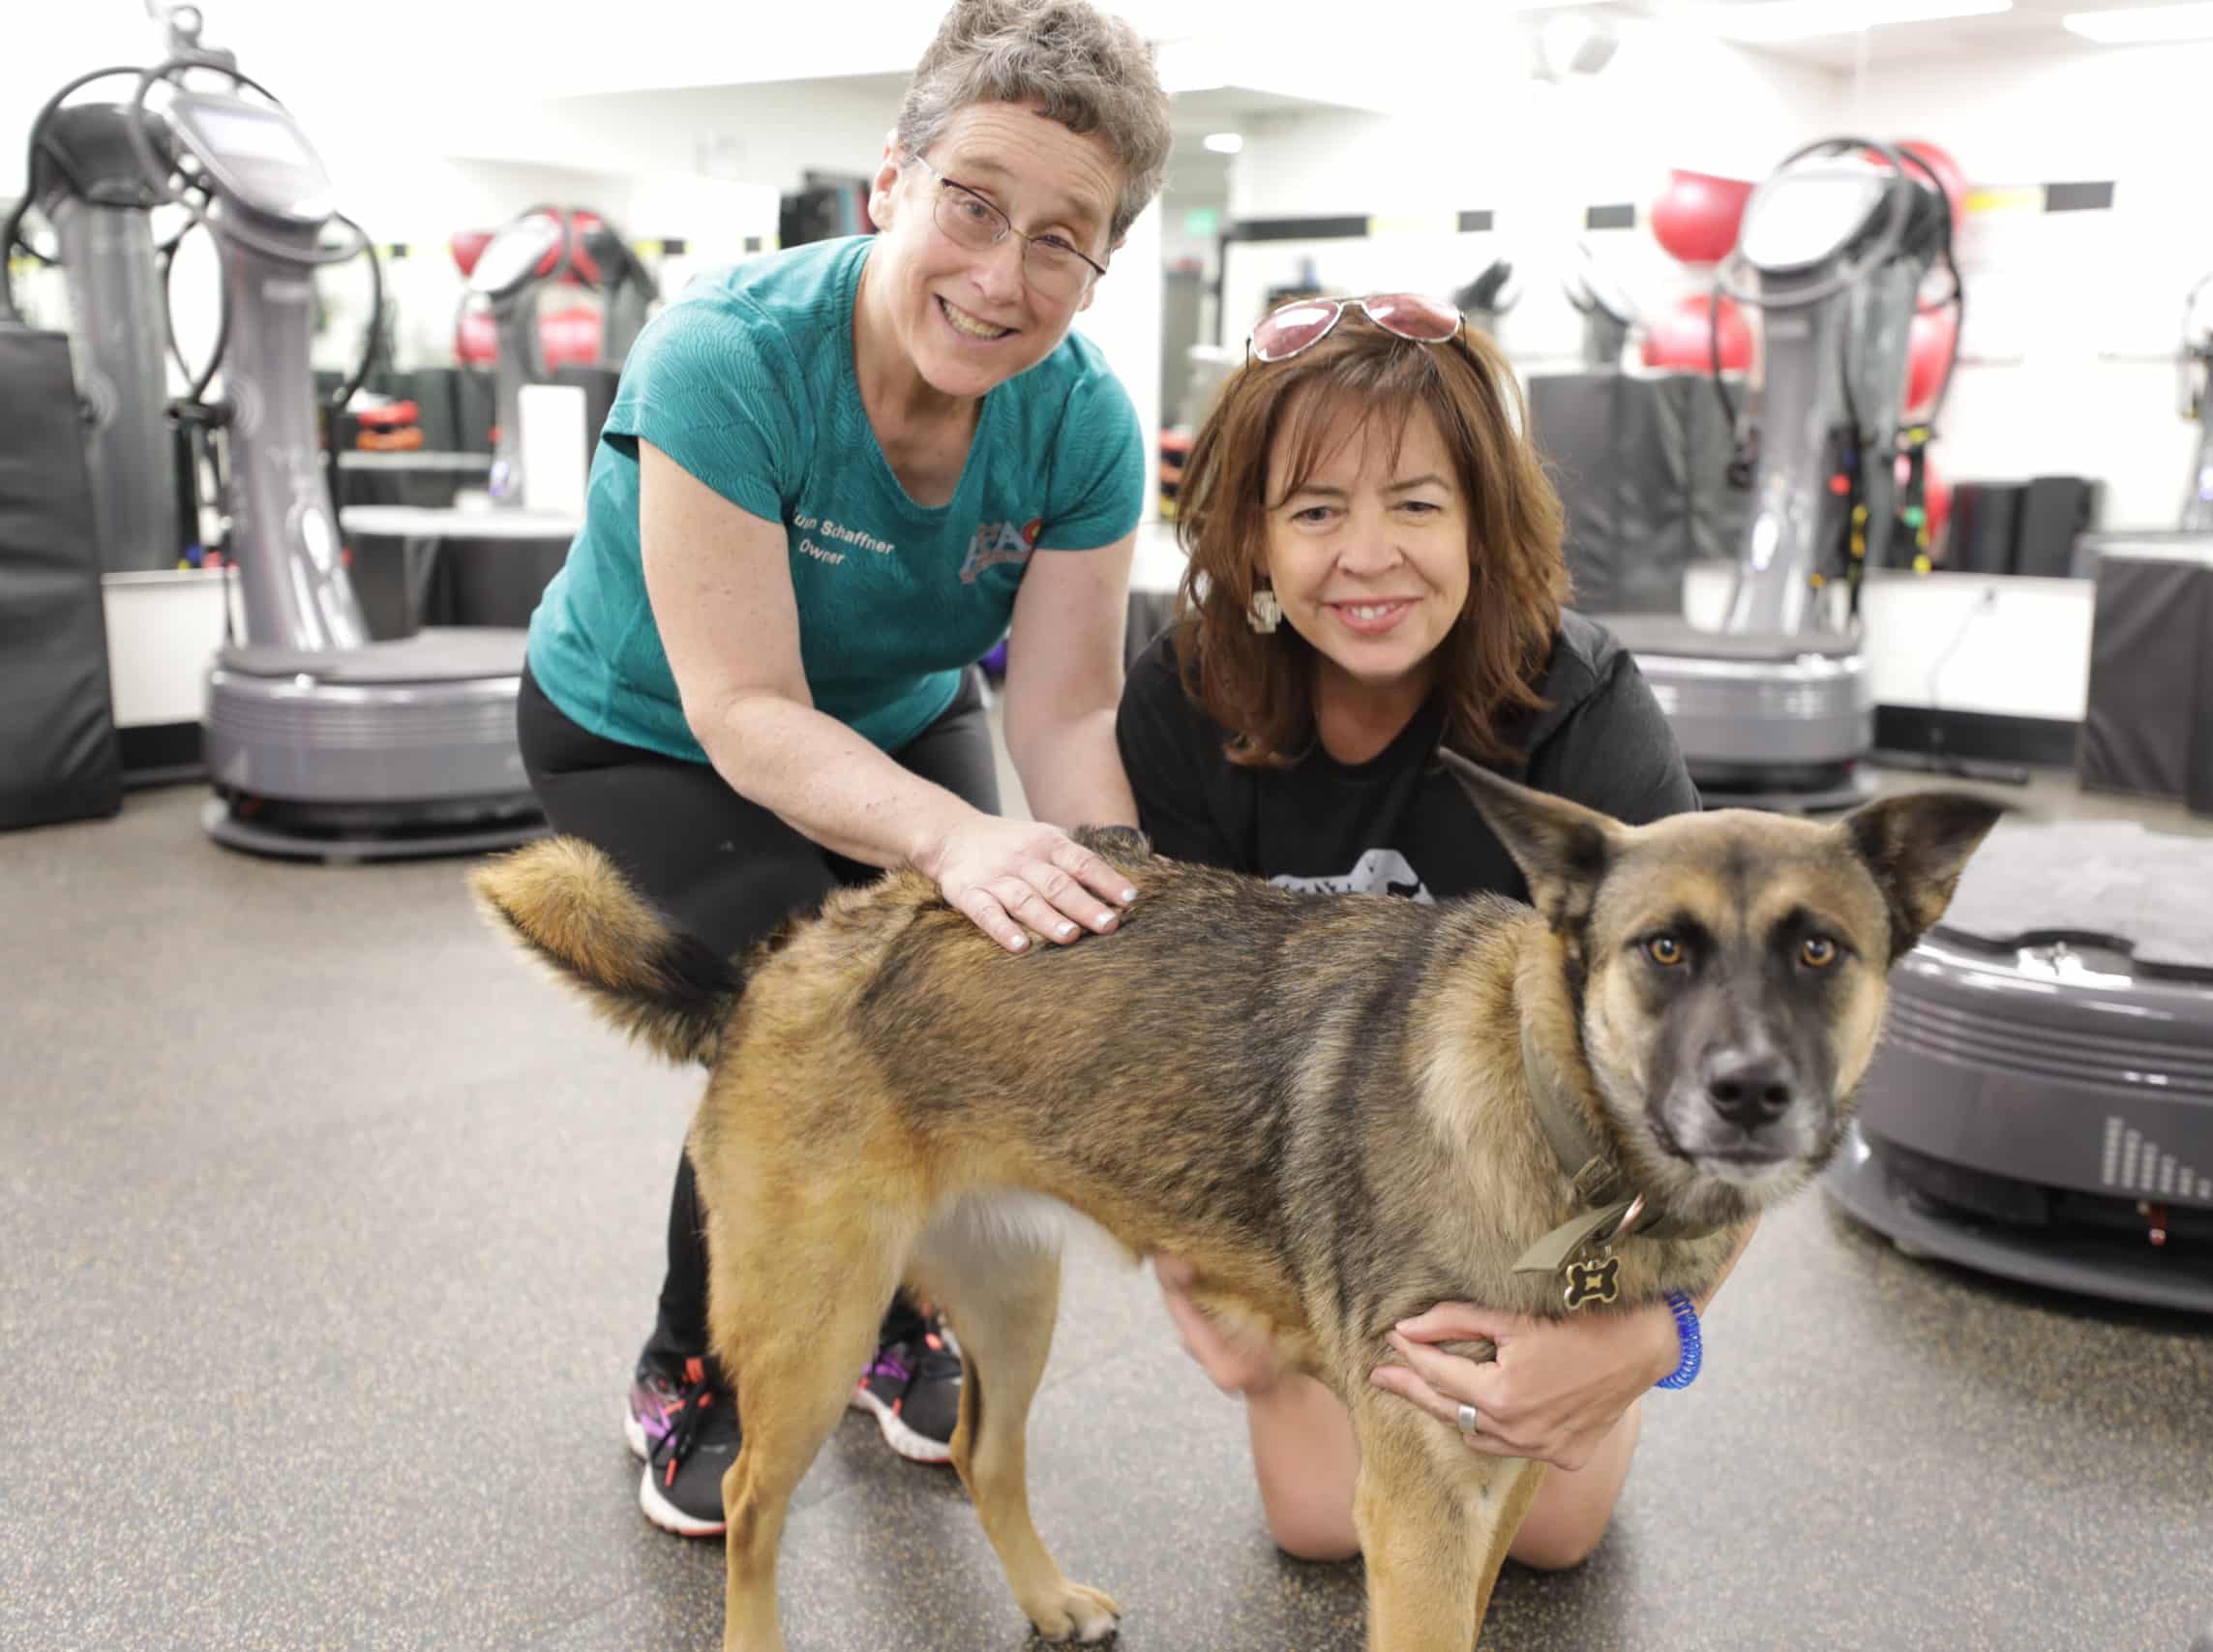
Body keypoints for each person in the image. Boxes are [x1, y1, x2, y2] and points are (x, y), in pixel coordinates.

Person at [515, 0, 1172, 1537]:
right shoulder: (727, 357)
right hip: (644, 724)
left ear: (1100, 266)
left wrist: (1132, 916)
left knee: (958, 993)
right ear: (894, 180)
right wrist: (956, 845)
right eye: (974, 206)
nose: (1003, 276)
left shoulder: (1084, 430)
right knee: (793, 1003)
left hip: (884, 713)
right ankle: (696, 1367)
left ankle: (887, 1315)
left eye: (1063, 242)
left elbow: (1066, 715)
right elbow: (744, 711)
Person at [1115, 293, 1756, 1571]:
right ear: (1249, 535)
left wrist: (1642, 1336)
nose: (1369, 557)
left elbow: (1720, 1058)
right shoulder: (1183, 700)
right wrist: (1192, 1263)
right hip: (1313, 1197)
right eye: (1314, 512)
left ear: (1482, 521)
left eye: (1416, 504)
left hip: (1544, 1193)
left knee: (1551, 1537)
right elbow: (1164, 1036)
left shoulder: (1581, 714)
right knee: (1318, 1527)